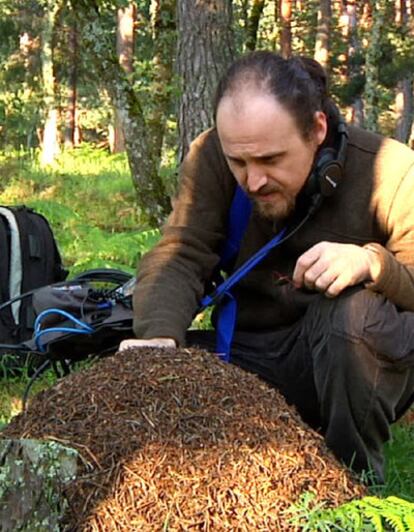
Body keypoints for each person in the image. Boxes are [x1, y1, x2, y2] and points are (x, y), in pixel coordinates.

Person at [120, 51, 414, 483]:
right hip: (249, 349)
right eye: (239, 162)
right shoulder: (212, 158)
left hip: (358, 355)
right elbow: (183, 250)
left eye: (271, 160)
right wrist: (159, 337)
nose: (253, 180)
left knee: (350, 317)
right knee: (146, 371)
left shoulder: (391, 171)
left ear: (317, 129)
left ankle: (352, 486)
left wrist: (373, 263)